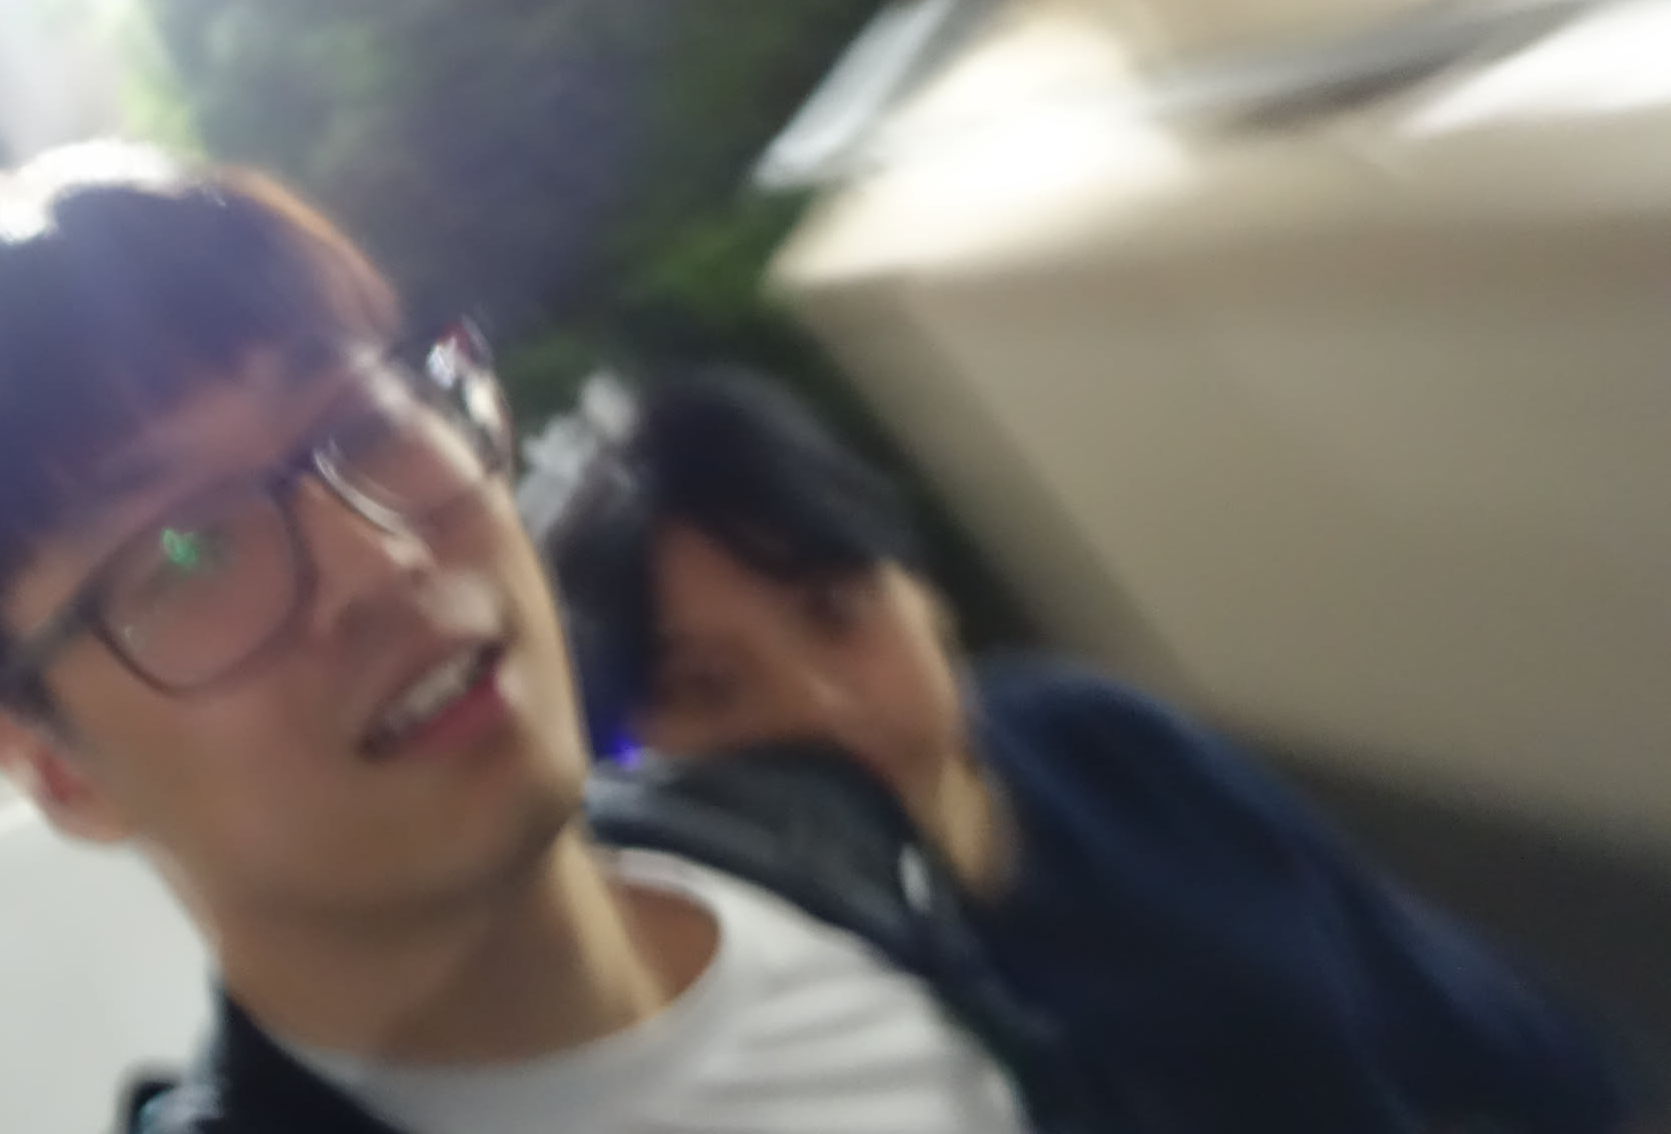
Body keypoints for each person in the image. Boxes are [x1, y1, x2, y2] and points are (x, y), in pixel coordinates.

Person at [0, 142, 1114, 1134]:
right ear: (54, 767)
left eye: (364, 424)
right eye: (189, 551)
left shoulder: (807, 828)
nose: (374, 561)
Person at [546, 365, 1646, 1134]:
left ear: (920, 590)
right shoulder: (792, 1017)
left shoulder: (1095, 738)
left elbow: (1412, 971)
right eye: (708, 687)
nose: (823, 708)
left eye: (836, 611)